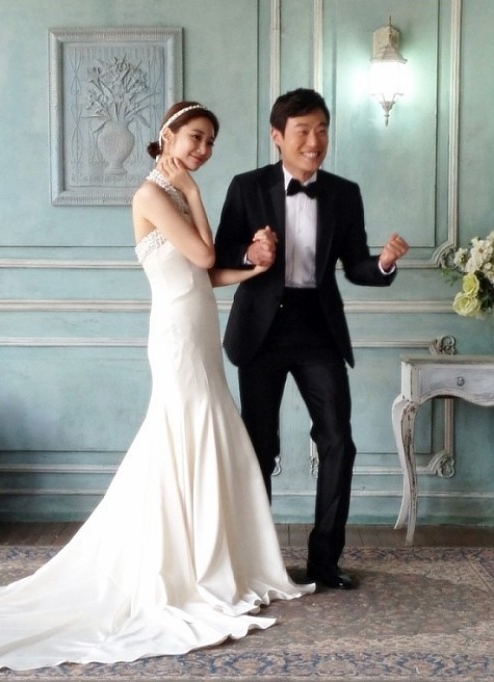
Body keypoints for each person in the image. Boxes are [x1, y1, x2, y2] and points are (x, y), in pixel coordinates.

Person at [0, 101, 313, 674]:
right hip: (176, 332)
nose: (203, 150)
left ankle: (209, 556)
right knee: (184, 432)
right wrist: (198, 195)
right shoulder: (152, 195)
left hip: (197, 324)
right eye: (195, 138)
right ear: (168, 136)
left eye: (210, 142)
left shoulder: (173, 195)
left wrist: (253, 269)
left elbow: (207, 273)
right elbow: (204, 252)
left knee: (205, 432)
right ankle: (182, 564)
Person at [214, 88, 410, 591]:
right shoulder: (247, 186)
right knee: (259, 446)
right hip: (262, 329)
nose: (314, 141)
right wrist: (251, 251)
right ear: (277, 136)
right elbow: (220, 252)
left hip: (318, 329)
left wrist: (384, 263)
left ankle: (325, 561)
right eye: (303, 130)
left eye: (322, 130)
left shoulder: (344, 193)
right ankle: (259, 563)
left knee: (338, 441)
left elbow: (357, 265)